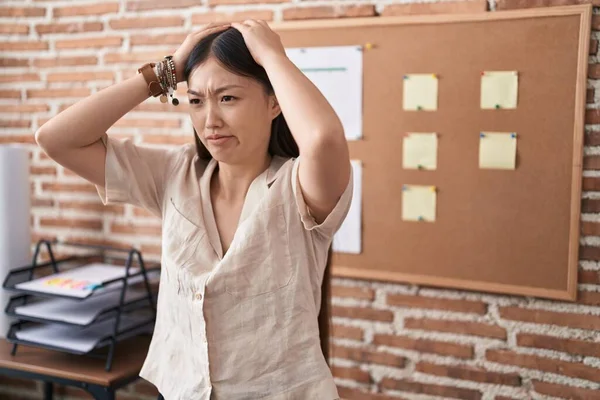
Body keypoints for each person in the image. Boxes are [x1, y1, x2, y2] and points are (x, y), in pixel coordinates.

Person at [35, 20, 352, 400]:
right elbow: (56, 139)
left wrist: (271, 55)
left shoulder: (300, 187)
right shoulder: (174, 174)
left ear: (274, 103)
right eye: (197, 100)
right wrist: (166, 70)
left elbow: (323, 138)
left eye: (228, 98)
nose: (210, 120)